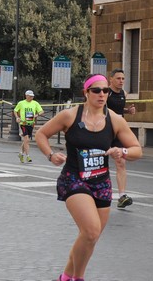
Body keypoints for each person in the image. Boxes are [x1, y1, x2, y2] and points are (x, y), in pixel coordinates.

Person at [35, 74, 142, 281]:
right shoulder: (70, 116)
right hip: (74, 179)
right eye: (96, 90)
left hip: (101, 182)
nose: (102, 94)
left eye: (105, 91)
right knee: (91, 231)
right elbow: (41, 134)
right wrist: (50, 155)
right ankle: (79, 278)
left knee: (90, 237)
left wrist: (123, 153)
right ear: (86, 92)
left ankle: (65, 277)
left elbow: (137, 149)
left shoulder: (115, 119)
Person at [107, 69, 137, 208]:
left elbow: (119, 110)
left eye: (123, 78)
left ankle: (122, 196)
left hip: (118, 131)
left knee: (121, 162)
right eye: (118, 78)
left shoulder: (124, 94)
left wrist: (128, 111)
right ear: (111, 79)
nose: (121, 81)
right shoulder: (105, 92)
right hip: (104, 130)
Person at [14, 90, 44, 163]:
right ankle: (27, 156)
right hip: (23, 123)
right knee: (27, 140)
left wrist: (37, 114)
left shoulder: (35, 103)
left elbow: (42, 111)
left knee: (26, 140)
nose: (32, 97)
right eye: (30, 96)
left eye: (32, 96)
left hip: (31, 124)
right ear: (26, 96)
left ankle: (21, 153)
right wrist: (17, 117)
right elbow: (15, 110)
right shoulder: (21, 103)